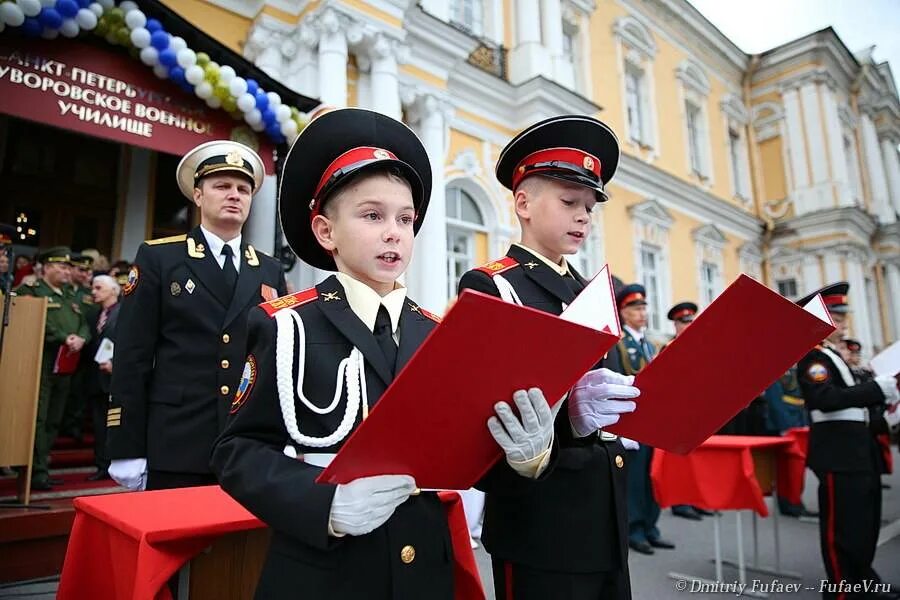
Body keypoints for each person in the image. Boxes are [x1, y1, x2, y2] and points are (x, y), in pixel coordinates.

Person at [211, 108, 555, 598]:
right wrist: (323, 504)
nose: (394, 231)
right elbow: (236, 452)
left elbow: (466, 448)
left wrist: (528, 456)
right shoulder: (285, 324)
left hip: (424, 571)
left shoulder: (442, 334)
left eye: (405, 218)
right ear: (326, 232)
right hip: (327, 571)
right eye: (372, 215)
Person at [457, 115, 642, 600]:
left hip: (603, 512)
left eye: (588, 206)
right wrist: (568, 415)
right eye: (568, 202)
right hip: (541, 520)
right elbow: (487, 415)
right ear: (523, 203)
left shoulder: (590, 291)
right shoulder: (494, 286)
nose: (583, 216)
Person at [106, 141, 287, 491]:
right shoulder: (160, 259)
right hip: (176, 440)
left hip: (248, 444)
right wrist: (126, 447)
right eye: (222, 186)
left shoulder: (267, 269)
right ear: (199, 196)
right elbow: (132, 355)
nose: (234, 195)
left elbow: (274, 360)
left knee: (241, 546)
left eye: (243, 189)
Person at [796, 283, 900, 599]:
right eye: (835, 317)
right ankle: (843, 590)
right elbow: (824, 399)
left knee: (862, 529)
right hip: (838, 455)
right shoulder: (814, 359)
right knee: (841, 532)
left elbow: (855, 409)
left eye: (842, 317)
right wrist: (875, 390)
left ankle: (863, 582)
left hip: (858, 452)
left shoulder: (832, 356)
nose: (842, 323)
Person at [604, 283, 674, 555]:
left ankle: (651, 526)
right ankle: (634, 529)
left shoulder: (649, 344)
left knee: (651, 477)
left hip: (652, 422)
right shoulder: (620, 344)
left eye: (644, 307)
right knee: (633, 479)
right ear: (623, 312)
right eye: (635, 308)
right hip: (631, 422)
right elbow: (620, 380)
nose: (642, 312)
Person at [15, 247, 90, 490]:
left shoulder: (70, 295)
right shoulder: (31, 291)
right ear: (46, 267)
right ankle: (34, 471)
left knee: (54, 419)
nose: (66, 271)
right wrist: (62, 337)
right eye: (60, 266)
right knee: (39, 416)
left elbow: (84, 324)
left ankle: (42, 465)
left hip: (66, 364)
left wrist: (81, 338)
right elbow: (31, 321)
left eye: (68, 267)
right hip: (42, 362)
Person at [663, 302, 713, 521]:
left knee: (699, 460)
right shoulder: (669, 348)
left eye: (692, 321)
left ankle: (696, 499)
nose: (689, 326)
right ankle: (680, 502)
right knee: (679, 462)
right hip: (677, 414)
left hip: (698, 412)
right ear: (676, 325)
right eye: (684, 322)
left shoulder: (701, 347)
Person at [83, 274, 121, 481]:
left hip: (114, 377)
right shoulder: (94, 314)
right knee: (99, 425)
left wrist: (117, 364)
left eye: (99, 288)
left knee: (112, 425)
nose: (93, 292)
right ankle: (101, 464)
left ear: (113, 290)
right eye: (93, 288)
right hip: (96, 377)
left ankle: (112, 463)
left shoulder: (124, 313)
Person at [59, 253, 99, 440]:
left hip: (84, 349)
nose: (85, 274)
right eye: (81, 270)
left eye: (88, 271)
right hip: (61, 348)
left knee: (79, 391)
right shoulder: (63, 291)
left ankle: (73, 425)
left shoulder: (89, 295)